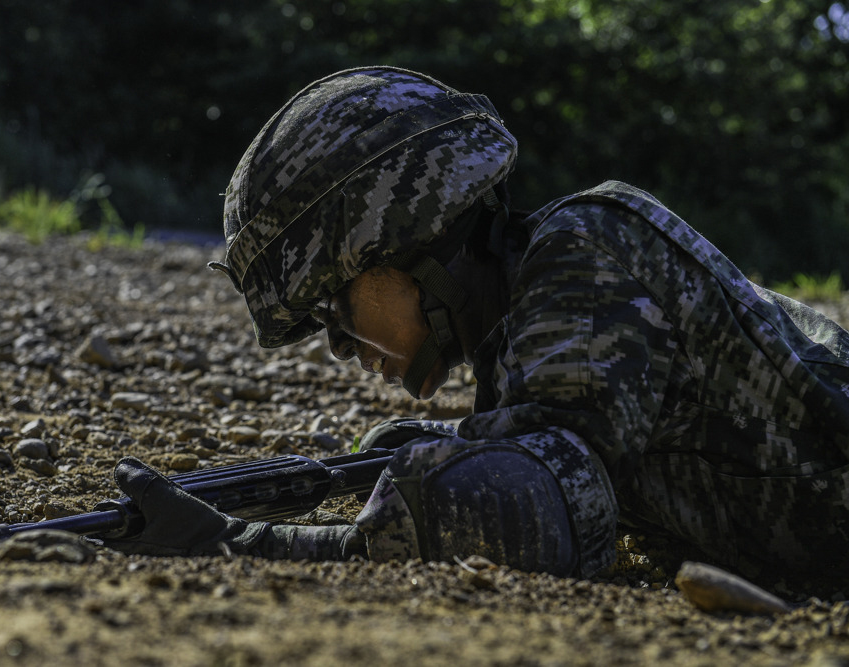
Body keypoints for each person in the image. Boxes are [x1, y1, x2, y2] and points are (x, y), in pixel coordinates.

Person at [103, 67, 849, 579]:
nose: (340, 346)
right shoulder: (525, 319)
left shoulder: (583, 249)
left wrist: (238, 542)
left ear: (405, 244)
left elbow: (547, 509)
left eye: (334, 310)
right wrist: (445, 446)